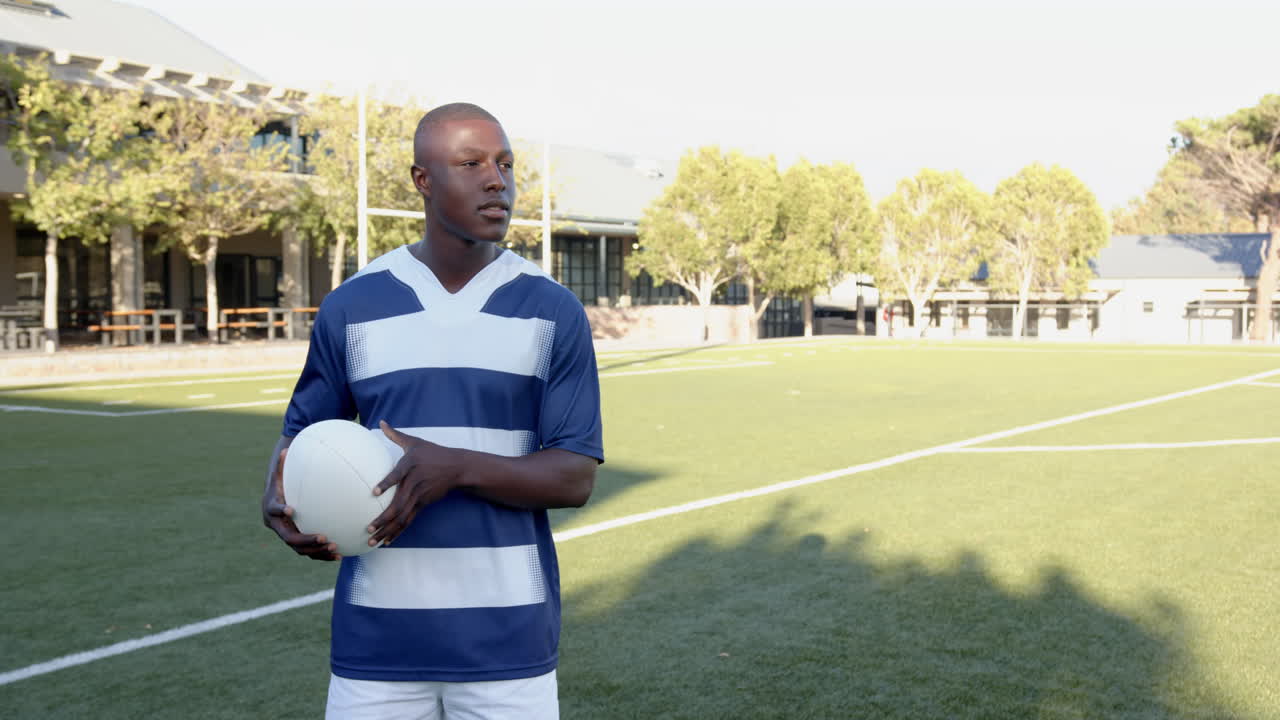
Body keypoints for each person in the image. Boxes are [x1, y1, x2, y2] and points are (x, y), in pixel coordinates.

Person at [261, 102, 603, 720]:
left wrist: (455, 467)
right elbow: (301, 438)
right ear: (422, 180)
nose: (497, 180)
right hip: (376, 648)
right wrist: (277, 496)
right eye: (470, 163)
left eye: (505, 163)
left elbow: (574, 477)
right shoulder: (352, 307)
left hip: (509, 651)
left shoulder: (553, 311)